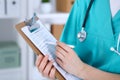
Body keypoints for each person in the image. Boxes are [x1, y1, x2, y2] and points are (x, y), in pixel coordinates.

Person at [36, 0, 120, 80]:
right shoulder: (84, 2)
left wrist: (82, 70)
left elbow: (77, 69)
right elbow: (64, 62)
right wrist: (53, 70)